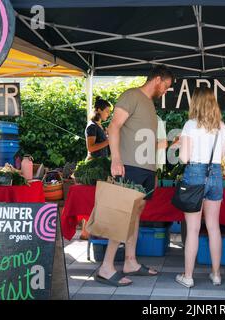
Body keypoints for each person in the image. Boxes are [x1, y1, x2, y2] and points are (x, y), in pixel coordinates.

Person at [95, 65, 174, 286]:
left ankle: (130, 261)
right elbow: (114, 126)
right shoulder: (132, 95)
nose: (166, 91)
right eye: (166, 86)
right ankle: (106, 268)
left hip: (145, 169)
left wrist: (156, 162)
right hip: (128, 166)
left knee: (135, 215)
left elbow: (143, 139)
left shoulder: (149, 104)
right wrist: (116, 159)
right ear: (158, 79)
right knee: (122, 215)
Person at [175, 86, 225, 288]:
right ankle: (216, 275)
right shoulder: (221, 126)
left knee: (194, 229)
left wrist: (181, 145)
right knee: (214, 226)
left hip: (195, 174)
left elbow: (184, 158)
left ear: (195, 103)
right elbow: (222, 157)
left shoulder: (190, 125)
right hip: (215, 174)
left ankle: (188, 277)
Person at [81, 97, 111, 240]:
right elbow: (91, 148)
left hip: (102, 166)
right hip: (94, 167)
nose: (108, 114)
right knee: (92, 200)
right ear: (99, 110)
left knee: (99, 200)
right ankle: (86, 232)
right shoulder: (92, 126)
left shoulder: (99, 126)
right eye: (106, 111)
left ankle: (93, 230)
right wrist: (107, 141)